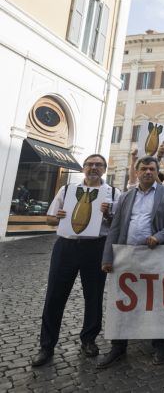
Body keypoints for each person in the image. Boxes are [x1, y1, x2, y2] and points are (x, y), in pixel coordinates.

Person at [31, 155, 121, 367]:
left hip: (96, 247)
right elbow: (49, 218)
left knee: (94, 295)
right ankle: (46, 345)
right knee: (54, 295)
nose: (94, 168)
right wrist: (59, 216)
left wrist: (107, 215)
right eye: (90, 164)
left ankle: (88, 340)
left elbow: (116, 224)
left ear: (104, 169)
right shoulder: (67, 190)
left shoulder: (114, 193)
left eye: (98, 165)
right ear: (83, 168)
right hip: (66, 247)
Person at [96, 156, 164, 368]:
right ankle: (118, 346)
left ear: (156, 171)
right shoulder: (126, 196)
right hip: (127, 255)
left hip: (156, 254)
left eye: (152, 169)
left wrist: (159, 236)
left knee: (156, 300)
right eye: (144, 168)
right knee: (123, 301)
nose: (148, 172)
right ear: (137, 171)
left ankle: (159, 345)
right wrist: (108, 257)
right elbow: (115, 227)